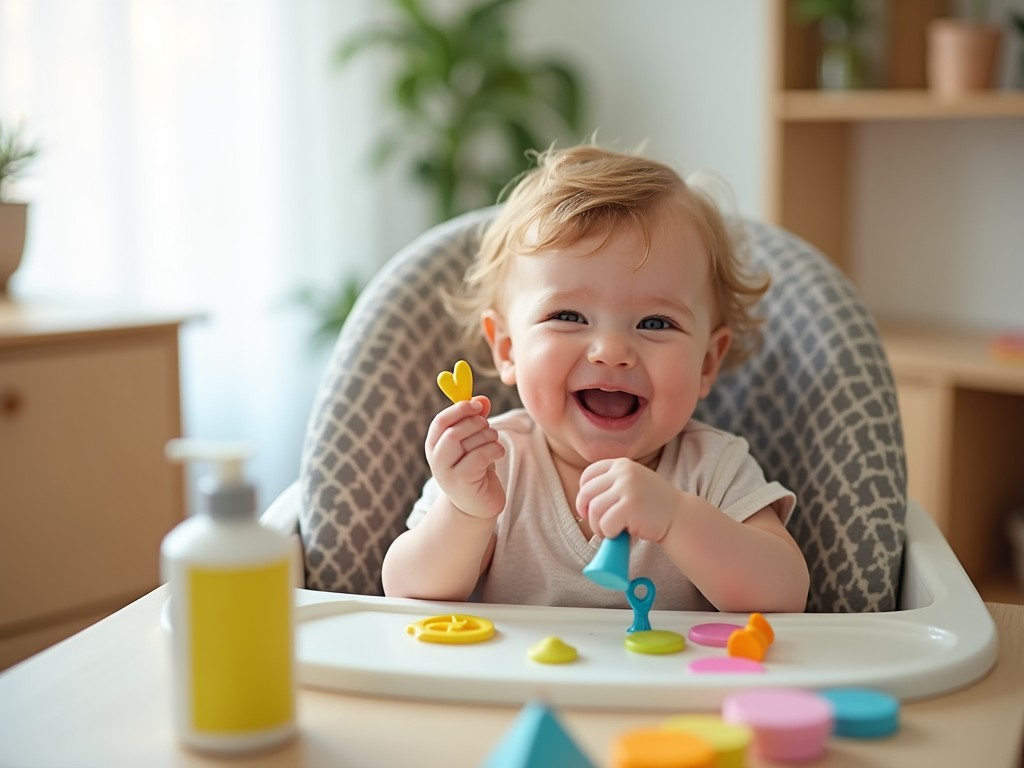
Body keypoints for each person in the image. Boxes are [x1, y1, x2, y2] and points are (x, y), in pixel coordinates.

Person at [381, 144, 810, 613]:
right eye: (568, 315)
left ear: (707, 363)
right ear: (506, 349)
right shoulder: (494, 463)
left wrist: (675, 517)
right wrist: (465, 513)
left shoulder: (712, 469)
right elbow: (407, 593)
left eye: (655, 323)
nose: (611, 352)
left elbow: (785, 594)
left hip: (672, 687)